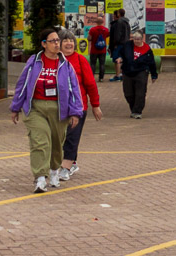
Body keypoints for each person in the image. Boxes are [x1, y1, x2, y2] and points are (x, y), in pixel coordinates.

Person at [9, 28, 84, 193]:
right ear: (44, 44)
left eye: (58, 41)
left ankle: (53, 170)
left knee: (57, 144)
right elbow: (22, 84)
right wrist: (16, 107)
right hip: (36, 107)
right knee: (40, 141)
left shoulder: (65, 65)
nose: (57, 44)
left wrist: (75, 111)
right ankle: (40, 178)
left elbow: (74, 89)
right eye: (53, 41)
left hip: (59, 109)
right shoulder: (33, 62)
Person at [57, 31, 102, 181]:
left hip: (77, 106)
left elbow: (90, 84)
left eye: (71, 40)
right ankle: (70, 162)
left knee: (72, 136)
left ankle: (66, 167)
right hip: (57, 107)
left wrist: (95, 105)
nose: (69, 43)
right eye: (65, 40)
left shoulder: (80, 60)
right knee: (59, 137)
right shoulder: (53, 60)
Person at [122, 29, 158, 119]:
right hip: (128, 71)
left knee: (140, 93)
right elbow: (120, 53)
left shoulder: (147, 50)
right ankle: (133, 108)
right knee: (128, 93)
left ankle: (137, 111)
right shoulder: (127, 46)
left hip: (141, 71)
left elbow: (152, 63)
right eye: (134, 39)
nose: (136, 41)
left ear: (142, 39)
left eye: (138, 39)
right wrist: (118, 58)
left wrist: (154, 75)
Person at [108, 8, 130, 82]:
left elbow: (117, 34)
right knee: (122, 59)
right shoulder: (127, 22)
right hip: (125, 43)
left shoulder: (119, 22)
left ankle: (117, 76)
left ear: (118, 14)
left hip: (119, 44)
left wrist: (115, 44)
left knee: (117, 59)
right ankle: (121, 75)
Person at [87, 16, 112, 82]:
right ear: (102, 22)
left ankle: (92, 78)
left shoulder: (92, 29)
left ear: (96, 22)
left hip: (94, 50)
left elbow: (89, 38)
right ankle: (101, 78)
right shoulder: (106, 30)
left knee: (93, 64)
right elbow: (107, 36)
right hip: (102, 50)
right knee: (102, 64)